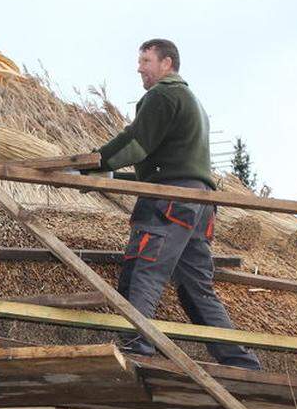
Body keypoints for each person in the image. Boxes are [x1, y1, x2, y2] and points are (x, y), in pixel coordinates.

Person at [92, 38, 261, 370]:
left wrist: (94, 163)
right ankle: (239, 361)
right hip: (198, 204)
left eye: (145, 60)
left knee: (146, 265)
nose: (139, 67)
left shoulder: (163, 95)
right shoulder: (192, 102)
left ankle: (137, 346)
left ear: (166, 63)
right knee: (195, 286)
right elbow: (174, 159)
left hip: (169, 199)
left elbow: (136, 143)